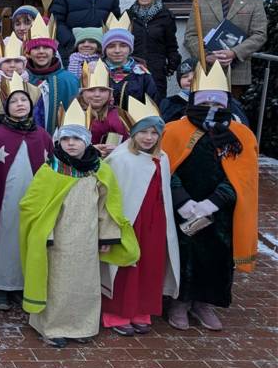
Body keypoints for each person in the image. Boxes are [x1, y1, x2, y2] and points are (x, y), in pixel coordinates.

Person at [19, 99, 138, 348]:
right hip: (58, 240)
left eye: (76, 138)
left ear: (86, 141)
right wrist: (44, 233)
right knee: (57, 285)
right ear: (58, 141)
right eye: (65, 139)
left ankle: (82, 326)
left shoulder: (99, 170)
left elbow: (108, 205)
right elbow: (33, 206)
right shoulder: (50, 170)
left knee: (85, 284)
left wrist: (106, 236)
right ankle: (52, 327)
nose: (71, 144)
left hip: (87, 238)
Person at [161, 63, 258, 331]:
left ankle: (205, 302)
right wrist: (182, 200)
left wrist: (214, 202)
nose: (211, 106)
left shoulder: (240, 134)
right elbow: (164, 167)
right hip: (183, 206)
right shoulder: (173, 130)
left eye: (217, 102)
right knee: (185, 255)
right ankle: (180, 302)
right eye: (205, 101)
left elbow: (243, 176)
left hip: (220, 209)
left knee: (217, 255)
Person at [102, 98, 180, 336]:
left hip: (155, 221)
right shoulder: (120, 158)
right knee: (125, 266)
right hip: (130, 221)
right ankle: (117, 312)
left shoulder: (162, 157)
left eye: (154, 133)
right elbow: (108, 195)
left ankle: (141, 310)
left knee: (149, 265)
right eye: (143, 132)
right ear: (133, 133)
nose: (148, 137)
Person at [0, 75, 53, 311]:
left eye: (24, 100)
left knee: (29, 237)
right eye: (14, 101)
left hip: (34, 201)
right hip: (4, 201)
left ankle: (22, 285)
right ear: (6, 107)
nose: (20, 104)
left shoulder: (42, 136)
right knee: (5, 237)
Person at [183, 0, 268, 99]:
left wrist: (234, 53)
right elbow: (190, 36)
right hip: (206, 69)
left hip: (237, 72)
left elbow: (260, 35)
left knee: (232, 109)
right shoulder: (201, 2)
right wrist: (205, 56)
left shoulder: (254, 2)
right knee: (202, 108)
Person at [0, 35, 44, 132]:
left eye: (17, 61)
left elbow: (38, 124)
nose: (12, 65)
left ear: (24, 65)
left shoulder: (34, 91)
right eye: (7, 61)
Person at [128, 0, 179, 103]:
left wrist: (172, 65)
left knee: (156, 101)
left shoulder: (165, 16)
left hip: (156, 67)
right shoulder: (129, 15)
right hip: (132, 66)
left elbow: (171, 44)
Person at [25, 16, 79, 132]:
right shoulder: (22, 78)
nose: (41, 52)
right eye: (36, 48)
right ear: (28, 53)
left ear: (54, 51)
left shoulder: (68, 80)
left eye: (46, 47)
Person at [160, 59, 249, 125]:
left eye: (195, 75)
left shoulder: (222, 100)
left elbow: (242, 123)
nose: (190, 79)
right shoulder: (170, 103)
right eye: (185, 76)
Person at [101, 15, 157, 108]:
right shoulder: (96, 71)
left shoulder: (141, 74)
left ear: (130, 49)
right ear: (105, 49)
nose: (117, 50)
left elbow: (152, 104)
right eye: (111, 46)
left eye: (123, 45)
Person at [81, 61, 129, 158]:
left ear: (110, 93)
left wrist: (119, 149)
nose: (97, 95)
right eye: (91, 90)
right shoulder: (73, 114)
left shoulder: (118, 118)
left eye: (102, 90)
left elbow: (130, 146)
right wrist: (88, 151)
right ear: (82, 92)